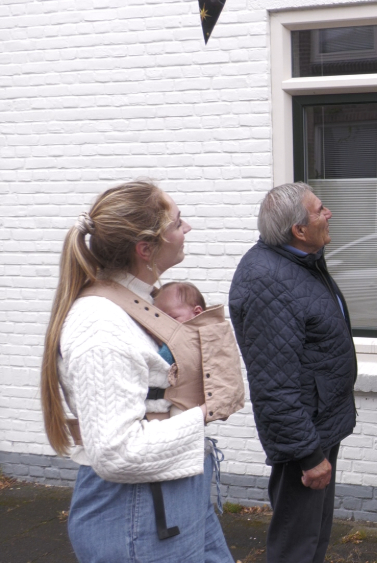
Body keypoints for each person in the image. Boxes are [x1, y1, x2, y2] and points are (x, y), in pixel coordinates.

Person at [40, 181, 232, 563]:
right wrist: (201, 414)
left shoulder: (140, 301)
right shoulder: (100, 326)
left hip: (175, 497)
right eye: (178, 223)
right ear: (146, 249)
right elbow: (115, 452)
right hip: (138, 516)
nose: (187, 229)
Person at [229, 183, 357, 563]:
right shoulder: (268, 281)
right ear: (298, 231)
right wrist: (308, 454)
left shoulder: (300, 263)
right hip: (305, 435)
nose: (329, 213)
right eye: (319, 210)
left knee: (312, 538)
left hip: (320, 423)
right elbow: (273, 385)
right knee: (295, 547)